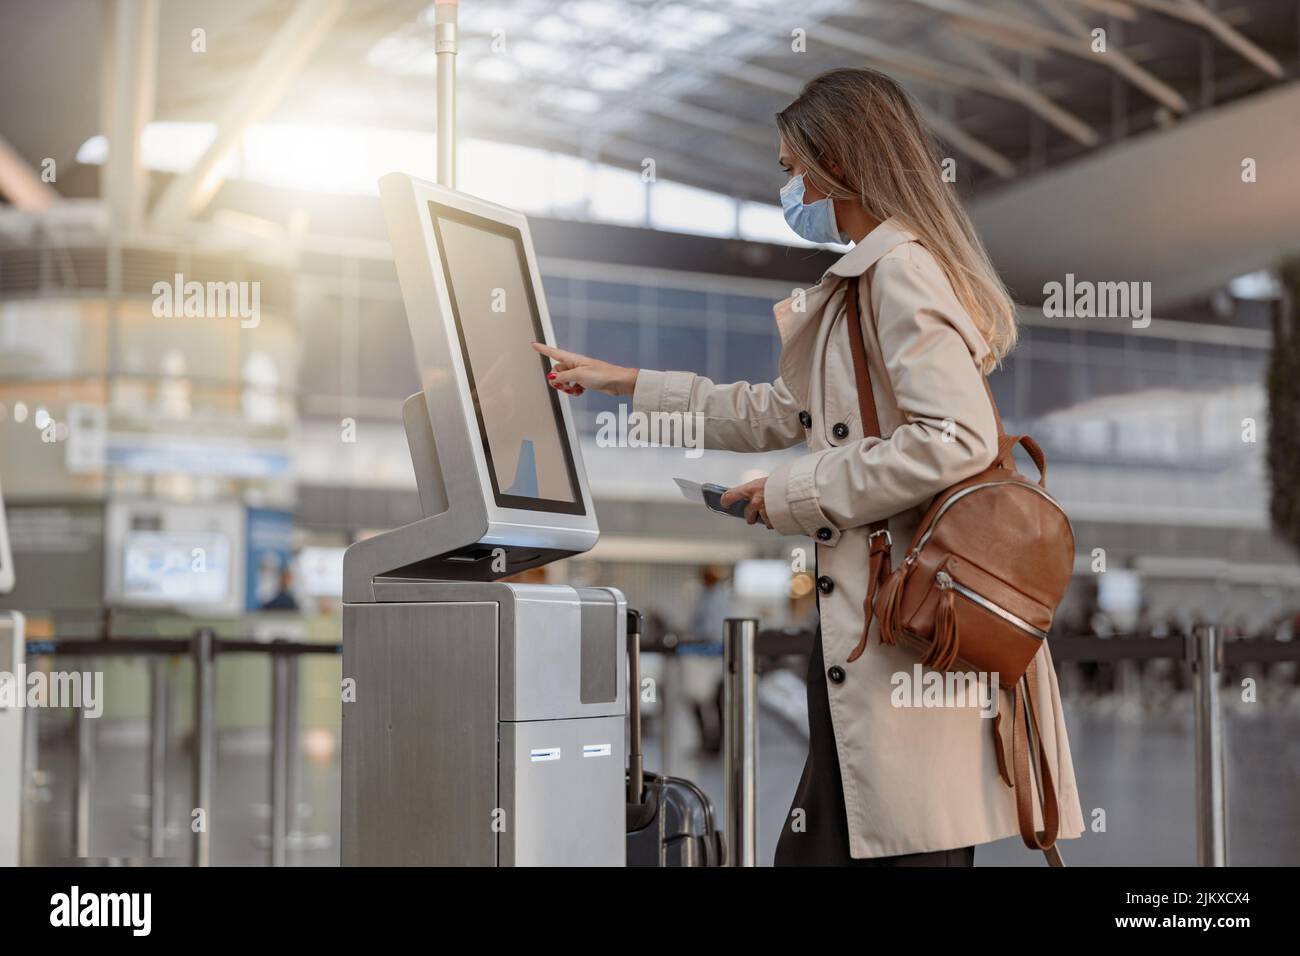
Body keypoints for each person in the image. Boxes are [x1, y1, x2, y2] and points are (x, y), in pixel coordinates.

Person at [533, 67, 1084, 866]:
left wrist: (794, 493)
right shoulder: (869, 280)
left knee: (894, 843)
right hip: (877, 647)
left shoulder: (897, 272)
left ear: (841, 164)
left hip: (897, 640)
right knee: (874, 838)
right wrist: (625, 384)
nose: (787, 189)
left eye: (793, 171)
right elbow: (776, 411)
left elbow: (954, 437)